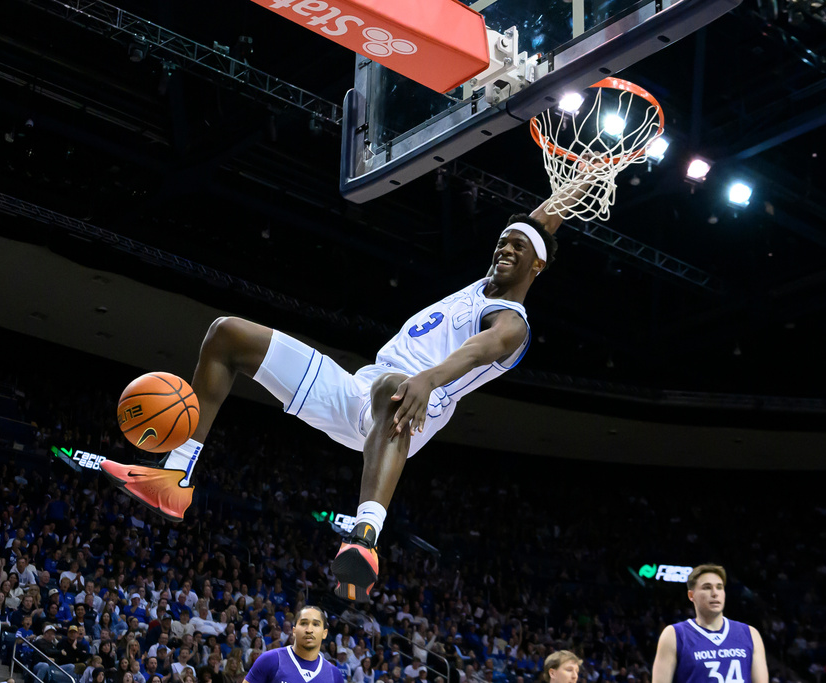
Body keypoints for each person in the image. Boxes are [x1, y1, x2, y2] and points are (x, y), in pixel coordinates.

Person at [103, 198, 566, 602]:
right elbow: (543, 218)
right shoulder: (481, 285)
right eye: (502, 241)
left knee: (397, 386)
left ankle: (364, 537)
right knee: (227, 335)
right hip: (358, 389)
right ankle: (173, 476)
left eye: (517, 248)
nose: (505, 248)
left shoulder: (512, 321)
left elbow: (477, 350)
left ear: (537, 267)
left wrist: (429, 379)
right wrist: (593, 169)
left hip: (412, 407)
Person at [651, 565, 769, 683]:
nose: (714, 593)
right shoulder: (674, 635)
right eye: (707, 588)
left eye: (719, 587)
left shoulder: (750, 634)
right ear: (691, 595)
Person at [242, 606, 342, 683]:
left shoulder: (334, 674)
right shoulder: (270, 659)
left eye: (316, 624)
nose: (309, 630)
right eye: (303, 623)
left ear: (324, 633)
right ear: (294, 631)